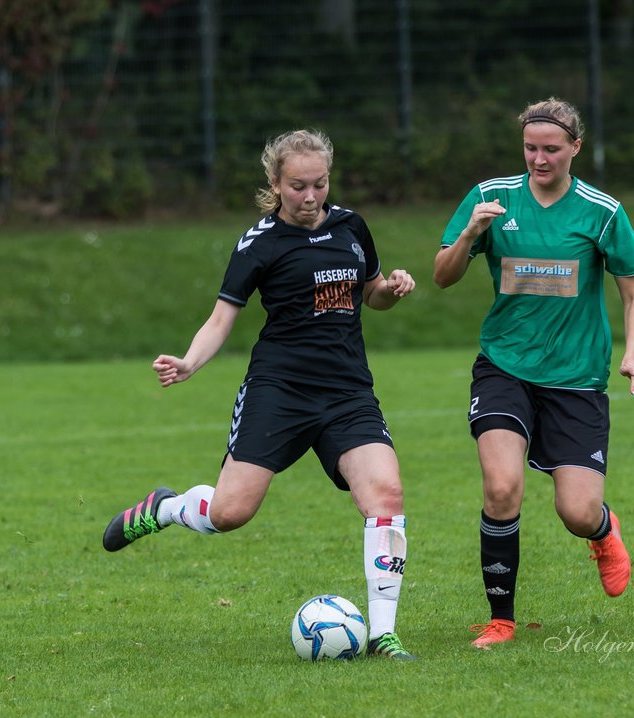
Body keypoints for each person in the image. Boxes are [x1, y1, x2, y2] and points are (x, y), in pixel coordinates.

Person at [101, 129, 418, 660]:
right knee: (230, 513)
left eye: (319, 184)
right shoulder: (259, 244)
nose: (311, 196)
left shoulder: (351, 227)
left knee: (386, 496)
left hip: (347, 393)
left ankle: (384, 634)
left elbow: (372, 293)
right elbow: (221, 318)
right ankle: (169, 507)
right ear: (275, 183)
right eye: (298, 186)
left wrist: (391, 289)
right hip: (280, 392)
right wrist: (188, 363)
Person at [433, 97, 634, 649]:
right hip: (504, 367)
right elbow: (442, 275)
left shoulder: (602, 212)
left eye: (551, 149)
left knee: (575, 510)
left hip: (577, 378)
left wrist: (631, 356)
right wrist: (469, 235)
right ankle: (501, 618)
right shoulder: (490, 198)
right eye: (531, 148)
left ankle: (603, 530)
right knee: (502, 486)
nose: (539, 158)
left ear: (575, 148)